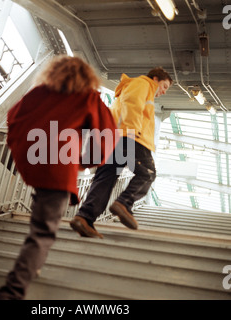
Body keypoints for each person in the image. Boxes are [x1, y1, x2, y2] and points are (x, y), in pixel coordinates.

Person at [0, 55, 118, 300]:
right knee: (42, 232)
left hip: (35, 165)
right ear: (87, 78)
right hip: (60, 170)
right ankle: (12, 292)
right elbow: (106, 136)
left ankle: (33, 265)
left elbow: (13, 119)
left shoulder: (38, 93)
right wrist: (83, 162)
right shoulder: (88, 97)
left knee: (40, 219)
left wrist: (24, 154)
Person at [70, 67, 173, 239]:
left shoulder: (135, 86)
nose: (163, 91)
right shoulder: (143, 84)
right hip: (130, 136)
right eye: (164, 86)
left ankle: (84, 218)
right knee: (147, 173)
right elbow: (132, 103)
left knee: (105, 179)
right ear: (155, 79)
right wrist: (133, 133)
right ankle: (124, 203)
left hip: (115, 137)